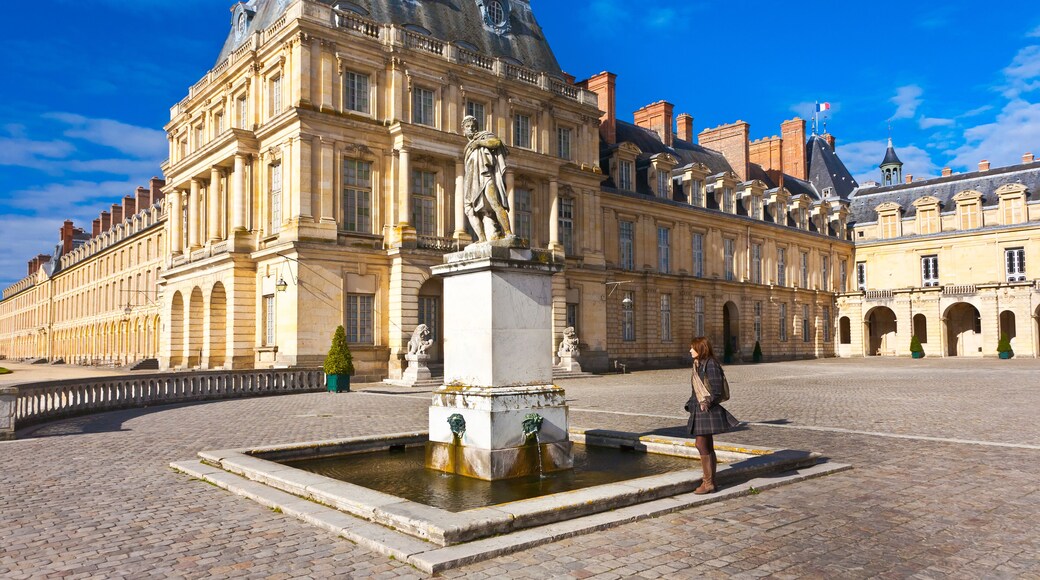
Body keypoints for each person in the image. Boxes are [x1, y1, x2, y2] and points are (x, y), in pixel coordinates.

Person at [686, 336, 740, 494]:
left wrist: (706, 403)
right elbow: (695, 391)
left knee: (701, 444)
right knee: (707, 444)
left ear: (700, 348)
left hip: (707, 410)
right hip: (699, 409)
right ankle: (711, 482)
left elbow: (716, 389)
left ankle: (708, 482)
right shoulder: (698, 364)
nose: (690, 350)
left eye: (692, 348)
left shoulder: (711, 364)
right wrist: (689, 405)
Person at [462, 115, 512, 242]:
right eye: (468, 126)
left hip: (486, 177)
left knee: (495, 203)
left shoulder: (483, 137)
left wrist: (479, 143)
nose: (471, 128)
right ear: (463, 130)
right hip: (471, 182)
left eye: (473, 126)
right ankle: (482, 239)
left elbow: (497, 142)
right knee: (469, 210)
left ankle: (508, 233)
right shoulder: (467, 148)